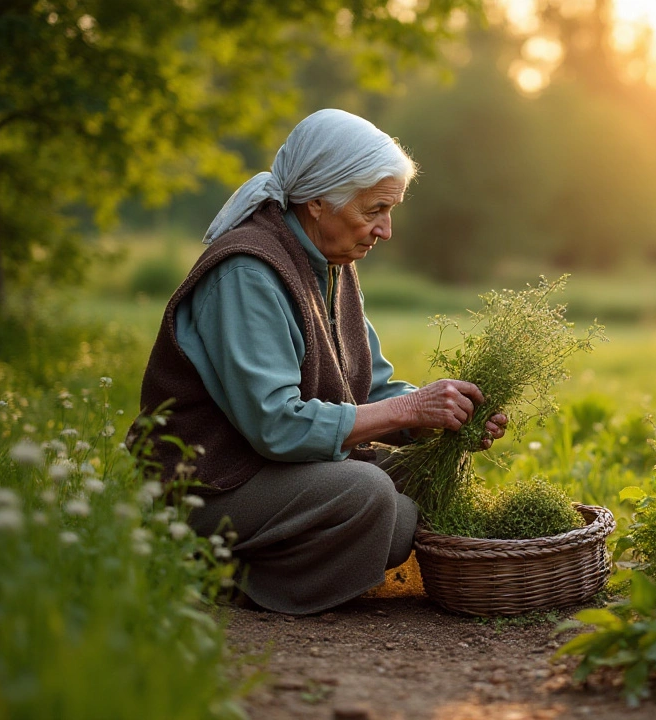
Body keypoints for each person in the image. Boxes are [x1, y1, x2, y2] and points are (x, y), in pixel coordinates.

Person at [130, 109, 506, 615]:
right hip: (208, 483)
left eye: (390, 210)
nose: (386, 230)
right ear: (317, 202)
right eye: (374, 209)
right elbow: (276, 425)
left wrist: (443, 415)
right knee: (369, 493)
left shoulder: (331, 262)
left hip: (267, 473)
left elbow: (371, 389)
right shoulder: (248, 271)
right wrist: (412, 410)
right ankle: (219, 576)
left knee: (409, 495)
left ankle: (271, 567)